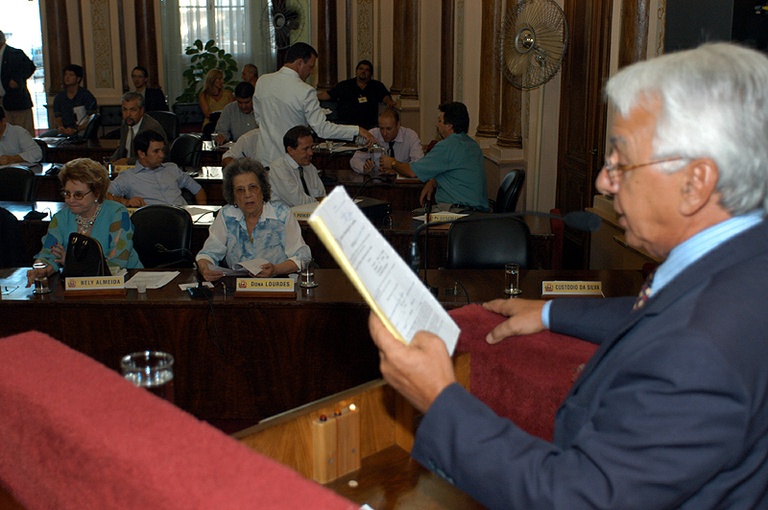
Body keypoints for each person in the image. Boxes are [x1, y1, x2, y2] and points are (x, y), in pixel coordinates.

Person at [369, 42, 768, 509]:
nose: (603, 181)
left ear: (696, 182)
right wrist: (553, 313)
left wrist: (440, 400)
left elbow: (576, 498)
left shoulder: (699, 349)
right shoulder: (744, 257)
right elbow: (660, 310)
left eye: (621, 161)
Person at [253, 42, 375, 167]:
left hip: (262, 159)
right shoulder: (305, 91)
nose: (311, 72)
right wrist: (357, 130)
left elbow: (258, 119)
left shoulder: (263, 81)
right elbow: (322, 129)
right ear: (299, 63)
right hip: (288, 162)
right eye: (311, 67)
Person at [26, 158, 142, 285]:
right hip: (78, 286)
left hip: (126, 283)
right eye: (67, 193)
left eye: (78, 195)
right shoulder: (61, 218)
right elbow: (49, 254)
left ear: (97, 193)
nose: (70, 200)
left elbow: (117, 262)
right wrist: (42, 268)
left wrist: (73, 263)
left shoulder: (117, 213)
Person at [196, 158, 311, 281]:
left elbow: (302, 256)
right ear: (233, 195)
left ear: (262, 190)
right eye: (240, 190)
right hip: (238, 287)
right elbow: (207, 254)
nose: (247, 194)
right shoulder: (227, 215)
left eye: (252, 187)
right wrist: (205, 269)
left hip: (277, 283)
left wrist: (276, 269)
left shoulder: (282, 214)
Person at [381, 102, 488, 212]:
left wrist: (392, 163)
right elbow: (456, 174)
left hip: (455, 211)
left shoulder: (446, 146)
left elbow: (411, 172)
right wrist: (433, 182)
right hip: (475, 212)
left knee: (410, 217)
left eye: (440, 121)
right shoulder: (473, 145)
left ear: (449, 125)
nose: (437, 124)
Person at [108, 130, 206, 207]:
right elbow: (104, 195)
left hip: (184, 218)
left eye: (162, 150)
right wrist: (126, 202)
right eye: (156, 151)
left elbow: (198, 190)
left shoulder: (172, 168)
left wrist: (203, 214)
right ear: (141, 154)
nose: (162, 155)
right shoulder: (128, 177)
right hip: (155, 222)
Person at [317, 59, 397, 129]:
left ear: (371, 74)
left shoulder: (376, 86)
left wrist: (389, 102)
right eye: (361, 69)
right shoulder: (345, 85)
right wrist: (312, 97)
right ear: (356, 71)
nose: (363, 71)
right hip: (346, 124)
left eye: (367, 70)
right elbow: (328, 95)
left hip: (369, 125)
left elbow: (385, 97)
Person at [349, 107, 423, 174]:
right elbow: (354, 160)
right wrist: (364, 168)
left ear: (398, 125)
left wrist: (397, 169)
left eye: (388, 129)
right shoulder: (372, 135)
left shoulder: (410, 136)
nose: (384, 133)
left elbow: (419, 164)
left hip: (402, 183)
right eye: (381, 128)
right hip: (377, 181)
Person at [268, 125, 326, 207]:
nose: (311, 153)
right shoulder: (279, 168)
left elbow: (322, 194)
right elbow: (298, 202)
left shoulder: (310, 167)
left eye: (311, 147)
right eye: (305, 149)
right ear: (290, 150)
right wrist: (320, 201)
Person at [110, 92, 168, 165]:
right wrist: (111, 161)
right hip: (127, 169)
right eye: (125, 110)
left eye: (133, 110)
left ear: (142, 111)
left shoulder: (151, 127)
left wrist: (127, 161)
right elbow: (121, 149)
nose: (128, 114)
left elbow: (151, 157)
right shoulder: (125, 124)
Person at [0, 30, 36, 136]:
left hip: (17, 101)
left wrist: (17, 80)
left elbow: (30, 67)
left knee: (23, 134)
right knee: (6, 137)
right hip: (1, 104)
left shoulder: (15, 54)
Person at [49, 64, 97, 137]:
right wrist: (61, 127)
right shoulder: (59, 97)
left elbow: (92, 118)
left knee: (80, 137)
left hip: (81, 129)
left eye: (71, 75)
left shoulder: (86, 95)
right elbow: (58, 117)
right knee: (43, 138)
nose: (67, 77)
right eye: (65, 75)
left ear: (78, 79)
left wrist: (76, 129)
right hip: (64, 130)